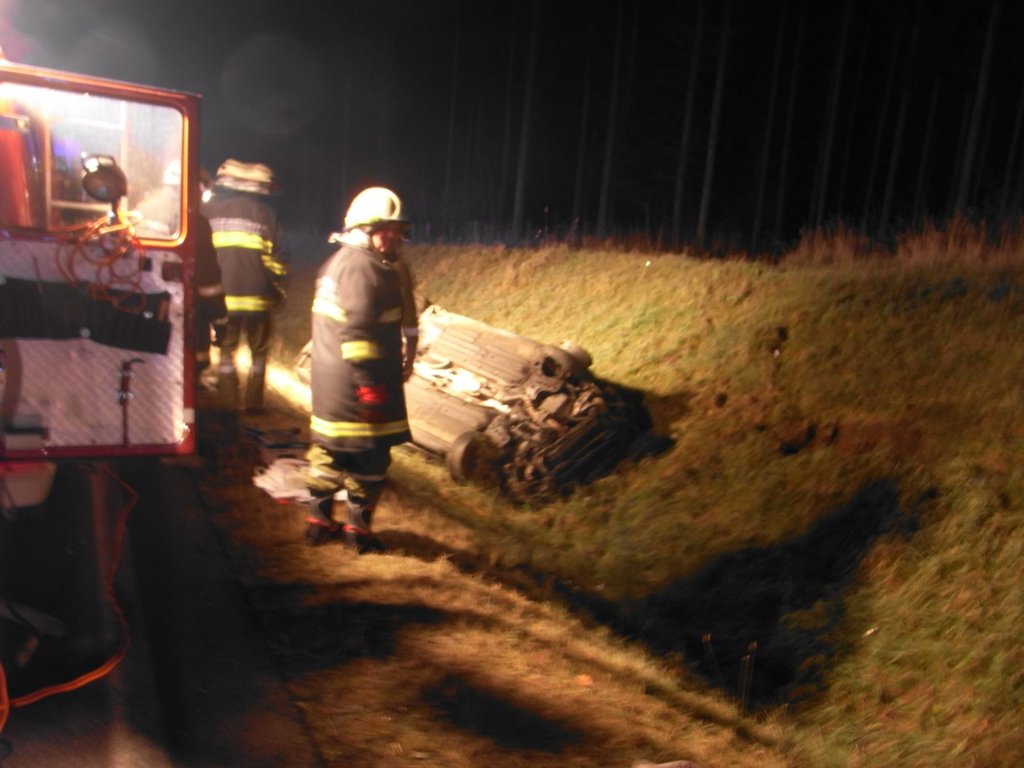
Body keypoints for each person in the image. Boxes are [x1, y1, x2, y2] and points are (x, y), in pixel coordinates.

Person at [304, 186, 413, 553]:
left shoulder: (339, 263)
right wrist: (370, 386)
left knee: (328, 453)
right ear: (364, 229)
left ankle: (318, 524)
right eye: (385, 230)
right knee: (371, 457)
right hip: (357, 386)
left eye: (398, 231)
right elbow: (358, 334)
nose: (394, 237)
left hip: (332, 383)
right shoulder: (365, 269)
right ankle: (358, 534)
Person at [202, 159, 286, 412]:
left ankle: (228, 402)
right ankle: (254, 403)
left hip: (223, 300)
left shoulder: (209, 212)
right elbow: (276, 263)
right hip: (258, 301)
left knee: (226, 351)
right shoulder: (267, 215)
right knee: (258, 353)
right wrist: (278, 288)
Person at [136, 162, 227, 384]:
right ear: (196, 187)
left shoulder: (142, 209)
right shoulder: (195, 223)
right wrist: (219, 319)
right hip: (179, 310)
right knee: (194, 361)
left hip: (138, 305)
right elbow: (208, 280)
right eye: (202, 190)